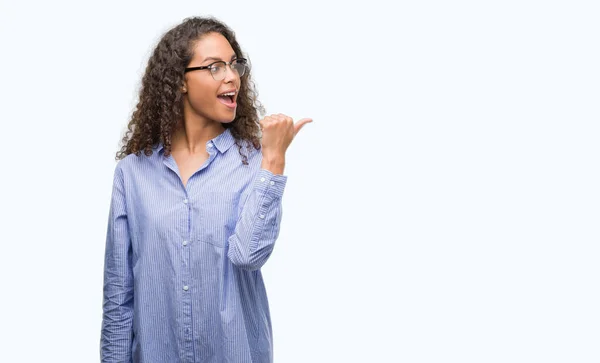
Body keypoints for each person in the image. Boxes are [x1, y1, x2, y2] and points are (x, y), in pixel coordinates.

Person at [100, 16, 312, 363]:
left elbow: (248, 256)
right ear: (180, 81)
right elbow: (118, 296)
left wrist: (273, 160)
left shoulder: (255, 164)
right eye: (214, 67)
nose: (232, 76)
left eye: (234, 65)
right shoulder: (132, 173)